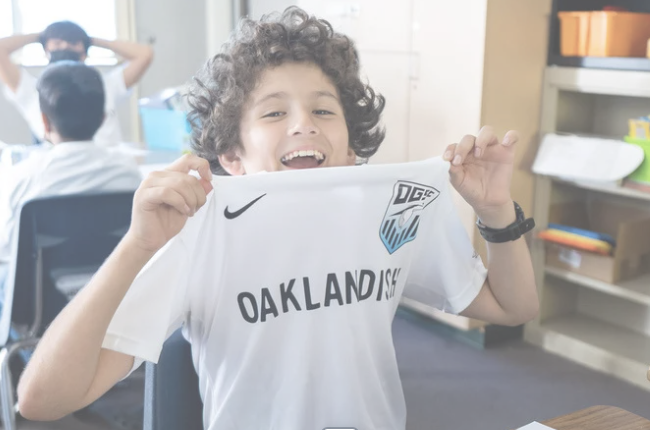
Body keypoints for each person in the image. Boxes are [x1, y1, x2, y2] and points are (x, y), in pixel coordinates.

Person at [16, 8, 539, 429]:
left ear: (351, 145)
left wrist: (494, 210)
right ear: (232, 156)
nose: (303, 125)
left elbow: (513, 307)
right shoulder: (201, 233)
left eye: (324, 110)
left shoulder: (389, 213)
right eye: (273, 112)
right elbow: (41, 399)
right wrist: (135, 247)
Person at [0, 61, 142, 299]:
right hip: (115, 299)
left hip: (39, 308)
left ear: (44, 122)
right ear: (103, 119)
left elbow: (6, 255)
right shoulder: (129, 174)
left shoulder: (22, 179)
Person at [0, 20, 153, 146]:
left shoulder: (105, 85)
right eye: (58, 42)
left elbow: (145, 54)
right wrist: (42, 36)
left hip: (107, 168)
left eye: (73, 42)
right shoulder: (31, 89)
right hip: (58, 173)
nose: (65, 46)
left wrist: (90, 40)